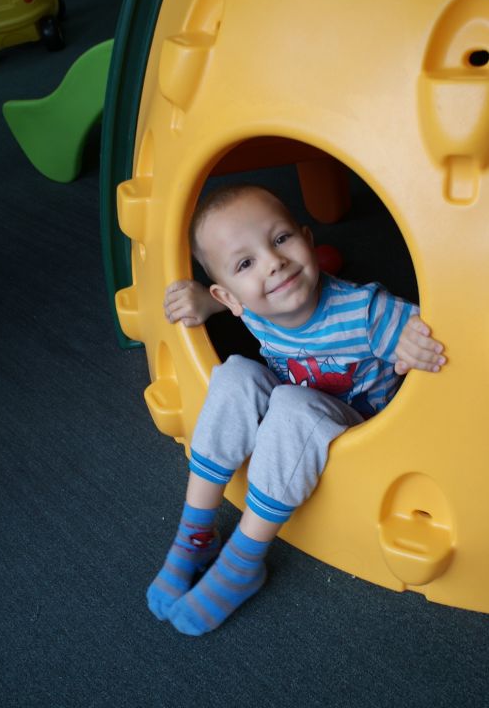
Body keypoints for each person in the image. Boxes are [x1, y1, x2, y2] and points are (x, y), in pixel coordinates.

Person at [147, 184, 446, 636]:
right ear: (230, 298)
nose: (273, 262)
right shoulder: (254, 306)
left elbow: (433, 328)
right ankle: (195, 534)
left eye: (281, 238)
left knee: (290, 404)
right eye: (245, 264)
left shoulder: (366, 312)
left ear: (307, 239)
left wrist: (413, 338)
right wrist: (204, 302)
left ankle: (243, 562)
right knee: (234, 375)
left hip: (357, 435)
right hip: (294, 412)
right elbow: (231, 303)